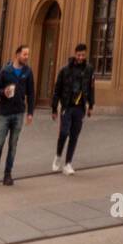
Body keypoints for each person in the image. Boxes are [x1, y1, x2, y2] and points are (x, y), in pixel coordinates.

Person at [0, 45, 35, 186]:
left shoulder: (28, 72)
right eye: (24, 54)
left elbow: (31, 93)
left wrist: (30, 113)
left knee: (13, 145)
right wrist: (4, 92)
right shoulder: (5, 71)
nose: (26, 57)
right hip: (4, 113)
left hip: (19, 112)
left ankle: (7, 174)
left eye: (28, 55)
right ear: (17, 55)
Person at [51, 43, 95, 174]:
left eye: (83, 55)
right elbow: (57, 90)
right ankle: (58, 156)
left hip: (80, 107)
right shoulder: (65, 70)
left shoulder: (89, 70)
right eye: (78, 55)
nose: (81, 57)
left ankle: (68, 163)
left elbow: (91, 88)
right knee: (64, 132)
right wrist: (54, 109)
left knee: (74, 135)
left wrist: (91, 105)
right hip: (67, 106)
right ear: (75, 54)